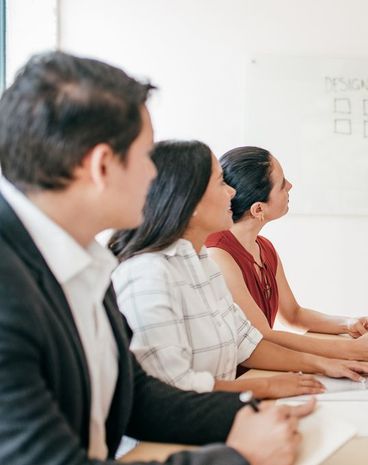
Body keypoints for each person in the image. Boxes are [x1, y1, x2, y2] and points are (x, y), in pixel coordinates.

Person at [0, 51, 313, 465]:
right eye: (147, 156)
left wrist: (243, 413)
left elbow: (134, 395)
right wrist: (238, 456)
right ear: (101, 165)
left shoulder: (86, 262)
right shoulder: (8, 290)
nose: (156, 175)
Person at [109, 140, 368, 399]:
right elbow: (172, 388)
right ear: (189, 203)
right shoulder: (150, 275)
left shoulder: (201, 263)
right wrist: (266, 386)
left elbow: (249, 342)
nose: (231, 192)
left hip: (218, 410)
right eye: (220, 183)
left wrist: (327, 365)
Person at [206, 146, 368, 362]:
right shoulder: (218, 254)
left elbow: (293, 315)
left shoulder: (264, 247)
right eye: (281, 185)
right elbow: (263, 336)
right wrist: (352, 350)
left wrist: (348, 324)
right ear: (258, 209)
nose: (290, 186)